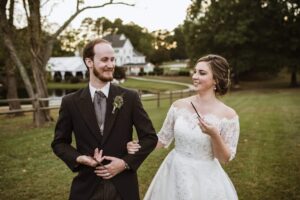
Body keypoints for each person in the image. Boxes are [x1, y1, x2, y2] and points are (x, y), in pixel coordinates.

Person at [51, 38, 158, 200]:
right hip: (86, 187)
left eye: (113, 59)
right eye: (104, 60)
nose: (111, 65)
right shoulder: (70, 102)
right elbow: (59, 143)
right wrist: (79, 158)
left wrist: (124, 163)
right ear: (89, 62)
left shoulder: (130, 97)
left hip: (123, 187)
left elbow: (150, 138)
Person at [127, 54, 240, 200]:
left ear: (216, 80)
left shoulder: (228, 115)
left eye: (202, 73)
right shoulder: (178, 106)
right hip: (174, 171)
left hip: (205, 178)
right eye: (195, 71)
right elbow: (163, 138)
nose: (195, 76)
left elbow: (224, 158)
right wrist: (138, 145)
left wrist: (214, 135)